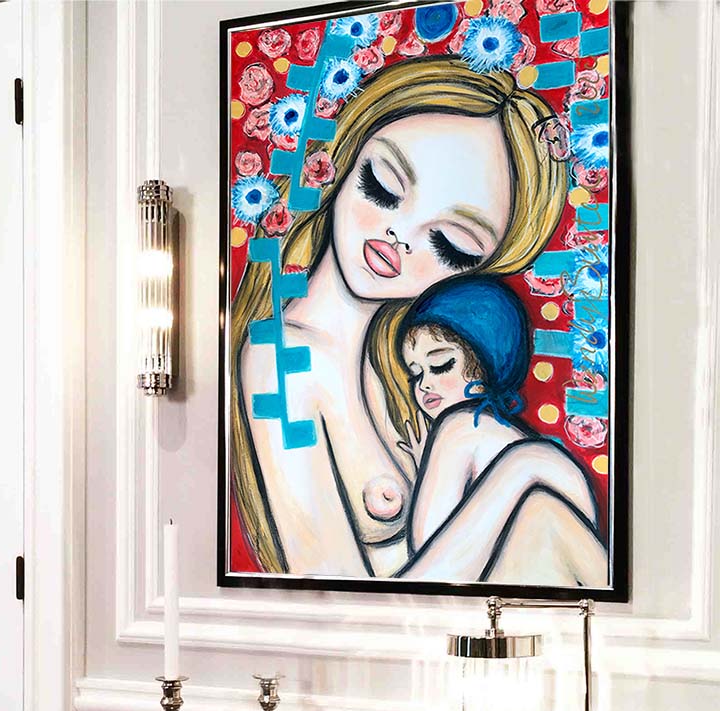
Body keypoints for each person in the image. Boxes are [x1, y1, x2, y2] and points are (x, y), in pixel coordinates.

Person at [231, 56, 568, 578]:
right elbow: (329, 588)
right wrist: (522, 470)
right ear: (341, 164)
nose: (400, 237)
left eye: (450, 244)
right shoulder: (282, 359)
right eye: (384, 187)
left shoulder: (411, 369)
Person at [367, 276, 607, 587]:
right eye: (415, 374)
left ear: (486, 360)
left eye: (441, 365)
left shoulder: (460, 427)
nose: (424, 384)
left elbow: (430, 553)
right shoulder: (509, 438)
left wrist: (428, 470)